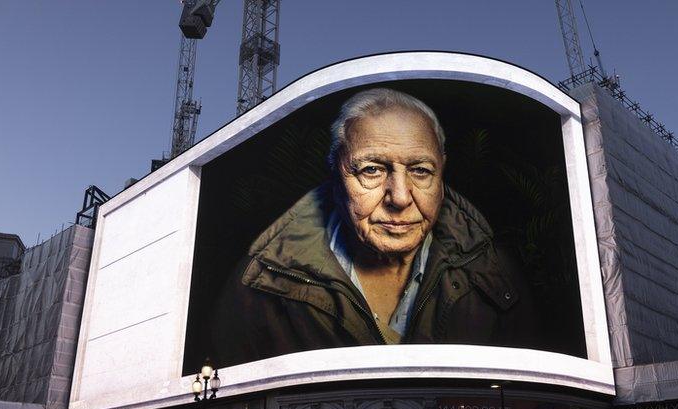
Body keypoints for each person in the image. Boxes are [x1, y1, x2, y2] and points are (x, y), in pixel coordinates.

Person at [210, 87, 539, 366]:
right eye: (372, 170)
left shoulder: (495, 275)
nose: (399, 197)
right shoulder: (257, 287)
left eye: (421, 171)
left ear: (441, 174)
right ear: (336, 174)